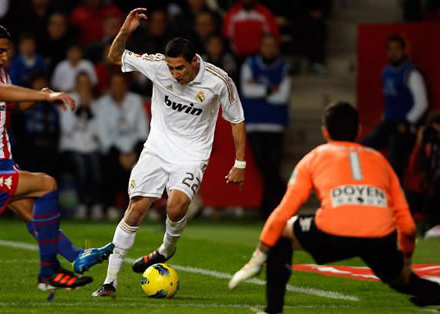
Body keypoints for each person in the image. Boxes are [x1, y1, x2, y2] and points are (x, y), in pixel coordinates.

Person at [229, 102, 440, 313]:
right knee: (401, 280)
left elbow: (283, 212)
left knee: (282, 233)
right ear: (358, 131)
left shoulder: (313, 158)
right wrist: (407, 260)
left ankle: (273, 310)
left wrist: (257, 258)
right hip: (378, 236)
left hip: (333, 233)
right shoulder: (380, 161)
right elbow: (407, 224)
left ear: (325, 131)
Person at [92, 8, 246, 297]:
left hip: (191, 154)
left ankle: (166, 248)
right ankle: (110, 282)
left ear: (195, 61)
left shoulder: (218, 80)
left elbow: (236, 118)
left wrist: (240, 162)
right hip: (157, 149)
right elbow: (114, 57)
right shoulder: (157, 66)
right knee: (135, 210)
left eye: (181, 69)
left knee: (176, 207)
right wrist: (126, 30)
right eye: (172, 68)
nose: (175, 75)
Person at [0, 19, 114, 290]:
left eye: (7, 52)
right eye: (0, 51)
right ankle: (59, 266)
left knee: (33, 210)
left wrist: (40, 95)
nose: (5, 58)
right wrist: (44, 98)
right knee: (38, 197)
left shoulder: (1, 73)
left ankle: (71, 258)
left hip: (0, 158)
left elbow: (12, 102)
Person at [361, 35, 428, 181]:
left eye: (397, 49)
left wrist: (407, 122)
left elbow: (422, 103)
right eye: (390, 49)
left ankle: (396, 190)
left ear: (404, 50)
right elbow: (390, 101)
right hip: (389, 124)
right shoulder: (386, 72)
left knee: (395, 147)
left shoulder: (412, 73)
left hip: (405, 128)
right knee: (362, 146)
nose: (393, 53)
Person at [241, 33, 290, 218]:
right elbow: (247, 90)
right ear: (260, 47)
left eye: (272, 45)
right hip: (255, 124)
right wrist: (270, 89)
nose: (269, 49)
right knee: (265, 166)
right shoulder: (250, 64)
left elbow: (282, 97)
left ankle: (267, 208)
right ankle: (283, 195)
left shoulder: (284, 68)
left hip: (276, 124)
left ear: (276, 48)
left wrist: (259, 90)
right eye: (265, 45)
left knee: (272, 167)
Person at [95, 72, 148, 220]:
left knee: (143, 164)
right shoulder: (102, 104)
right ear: (110, 86)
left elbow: (143, 131)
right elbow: (102, 135)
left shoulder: (136, 101)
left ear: (125, 86)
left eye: (120, 84)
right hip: (113, 150)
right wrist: (119, 154)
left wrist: (133, 154)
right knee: (110, 164)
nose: (118, 87)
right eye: (114, 84)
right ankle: (110, 205)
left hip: (134, 148)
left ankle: (137, 207)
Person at [59, 72, 102, 220]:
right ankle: (82, 205)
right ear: (76, 85)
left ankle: (95, 204)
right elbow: (67, 128)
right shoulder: (68, 101)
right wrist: (80, 109)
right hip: (72, 145)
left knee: (95, 169)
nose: (84, 87)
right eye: (81, 83)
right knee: (81, 168)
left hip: (91, 146)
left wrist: (89, 109)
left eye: (86, 83)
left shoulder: (97, 104)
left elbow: (99, 131)